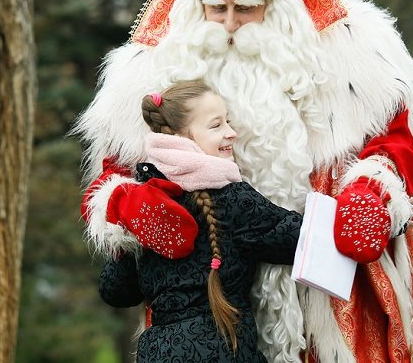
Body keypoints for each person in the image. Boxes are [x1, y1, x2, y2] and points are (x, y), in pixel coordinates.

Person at [76, 0, 413, 362]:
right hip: (204, 310)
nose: (230, 25)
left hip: (321, 296)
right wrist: (124, 204)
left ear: (279, 6)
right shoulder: (152, 72)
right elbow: (112, 177)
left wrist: (373, 195)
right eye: (217, 8)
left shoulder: (347, 62)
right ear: (195, 4)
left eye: (247, 8)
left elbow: (393, 142)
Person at [99, 80, 303, 362]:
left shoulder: (139, 204)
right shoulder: (231, 199)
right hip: (223, 350)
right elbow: (296, 240)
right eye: (216, 125)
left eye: (228, 122)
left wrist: (120, 240)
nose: (231, 133)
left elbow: (115, 291)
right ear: (182, 137)